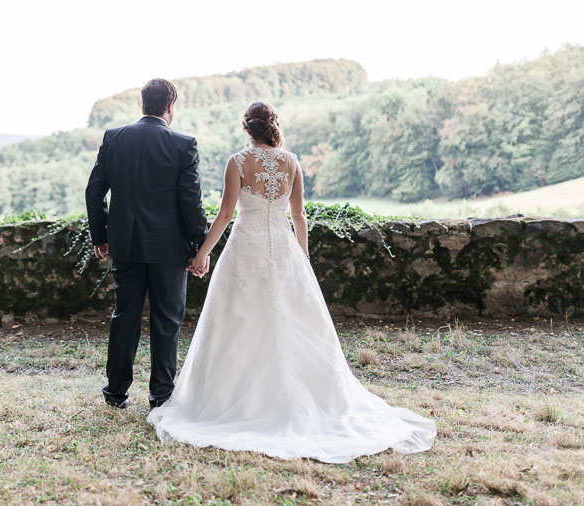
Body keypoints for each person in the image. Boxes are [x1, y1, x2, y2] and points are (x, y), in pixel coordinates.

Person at [146, 101, 436, 463]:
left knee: (239, 319)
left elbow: (224, 214)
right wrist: (303, 258)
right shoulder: (292, 161)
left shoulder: (237, 162)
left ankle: (232, 401)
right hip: (284, 248)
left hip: (245, 246)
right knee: (290, 318)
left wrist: (203, 253)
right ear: (272, 126)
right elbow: (298, 215)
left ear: (247, 129)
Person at [85, 78, 209, 409]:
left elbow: (95, 190)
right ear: (171, 107)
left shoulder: (115, 138)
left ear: (143, 105)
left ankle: (115, 393)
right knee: (167, 321)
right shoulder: (183, 145)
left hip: (124, 244)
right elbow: (191, 202)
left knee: (124, 315)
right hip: (170, 250)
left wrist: (101, 235)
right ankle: (161, 397)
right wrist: (199, 246)